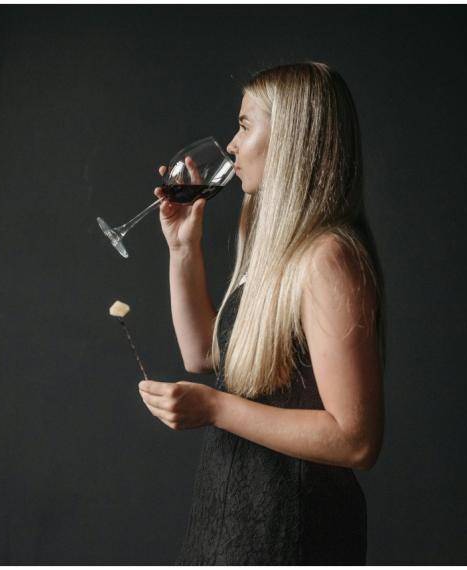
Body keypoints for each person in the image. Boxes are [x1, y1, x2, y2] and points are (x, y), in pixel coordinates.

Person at [137, 61, 385, 565]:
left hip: (289, 533)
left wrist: (215, 409)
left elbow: (356, 439)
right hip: (234, 520)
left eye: (246, 125)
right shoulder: (279, 250)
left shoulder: (328, 258)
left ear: (292, 140)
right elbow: (203, 354)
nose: (230, 144)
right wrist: (184, 248)